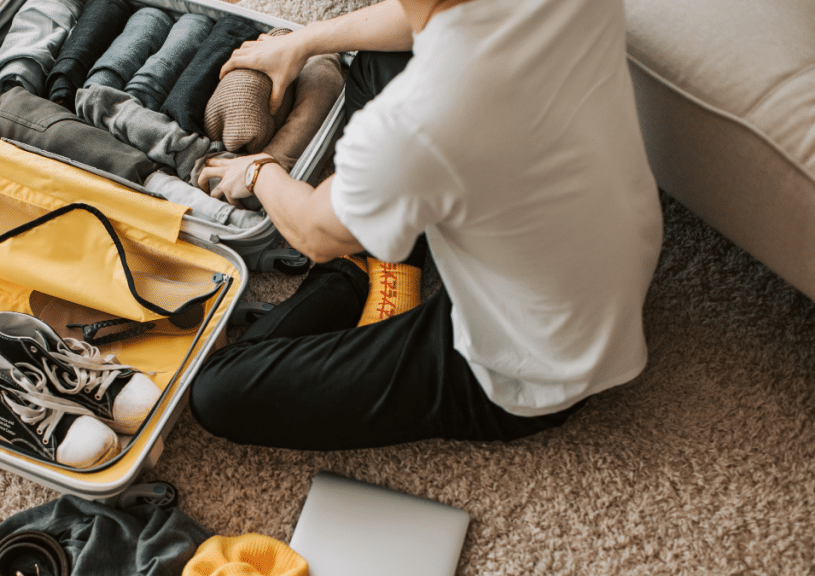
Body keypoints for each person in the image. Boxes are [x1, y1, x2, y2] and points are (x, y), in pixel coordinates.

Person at [190, 0, 663, 450]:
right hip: (608, 257)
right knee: (378, 61)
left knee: (218, 388)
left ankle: (354, 276)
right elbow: (421, 15)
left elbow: (312, 235)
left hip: (536, 366)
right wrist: (304, 41)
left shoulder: (415, 122)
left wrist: (257, 170)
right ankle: (380, 250)